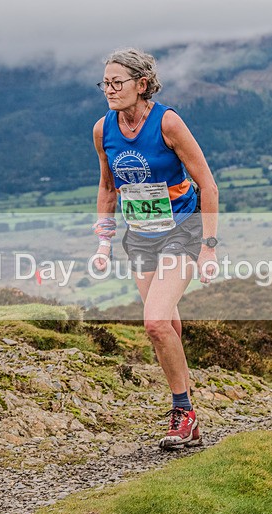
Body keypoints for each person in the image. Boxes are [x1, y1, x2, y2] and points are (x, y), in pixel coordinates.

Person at [91, 48, 219, 450]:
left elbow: (208, 186)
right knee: (168, 326)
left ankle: (183, 411)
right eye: (105, 83)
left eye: (118, 82)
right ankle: (190, 418)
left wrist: (209, 247)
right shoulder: (103, 130)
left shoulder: (167, 122)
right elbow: (108, 188)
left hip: (181, 231)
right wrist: (103, 241)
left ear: (141, 84)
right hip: (141, 237)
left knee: (155, 323)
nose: (109, 90)